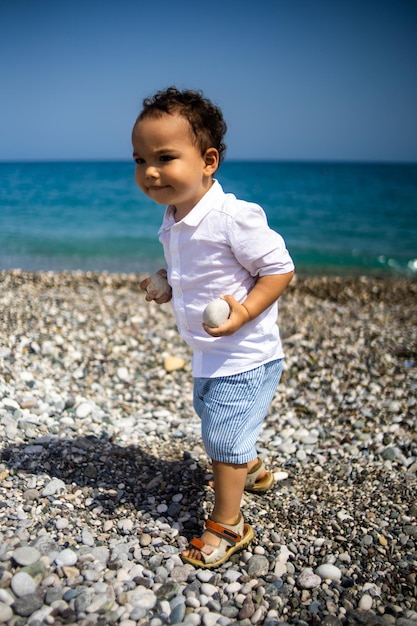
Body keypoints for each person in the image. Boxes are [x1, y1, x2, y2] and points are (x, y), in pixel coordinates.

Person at [132, 87, 295, 568]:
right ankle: (252, 467)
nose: (150, 172)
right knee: (214, 419)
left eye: (165, 157)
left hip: (247, 354)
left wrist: (244, 311)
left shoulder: (232, 217)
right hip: (208, 352)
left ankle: (229, 524)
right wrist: (166, 284)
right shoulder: (174, 217)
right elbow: (195, 274)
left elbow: (279, 268)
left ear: (208, 160)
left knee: (221, 436)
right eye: (140, 160)